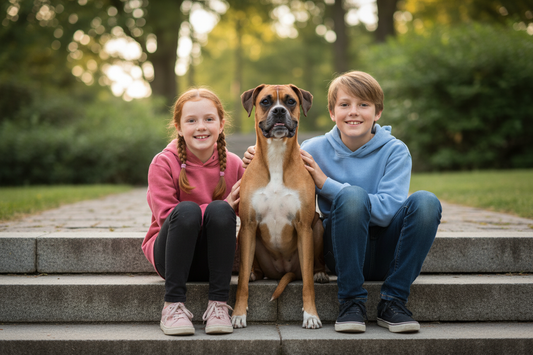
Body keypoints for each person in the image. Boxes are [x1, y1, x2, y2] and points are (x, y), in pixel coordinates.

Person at [242, 71, 442, 333]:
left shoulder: (396, 150)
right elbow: (277, 156)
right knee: (352, 196)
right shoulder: (311, 149)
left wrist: (326, 183)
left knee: (426, 202)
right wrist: (253, 156)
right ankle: (351, 303)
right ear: (331, 112)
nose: (353, 112)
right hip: (340, 252)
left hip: (386, 252)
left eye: (364, 105)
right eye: (345, 105)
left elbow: (386, 213)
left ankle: (393, 301)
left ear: (378, 112)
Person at [142, 88, 244, 336]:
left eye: (209, 119)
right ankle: (173, 305)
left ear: (221, 125)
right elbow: (168, 216)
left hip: (214, 261)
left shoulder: (234, 164)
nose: (201, 127)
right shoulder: (163, 162)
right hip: (171, 256)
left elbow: (252, 215)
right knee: (186, 210)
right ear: (178, 127)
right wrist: (223, 205)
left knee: (221, 209)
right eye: (191, 121)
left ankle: (219, 306)